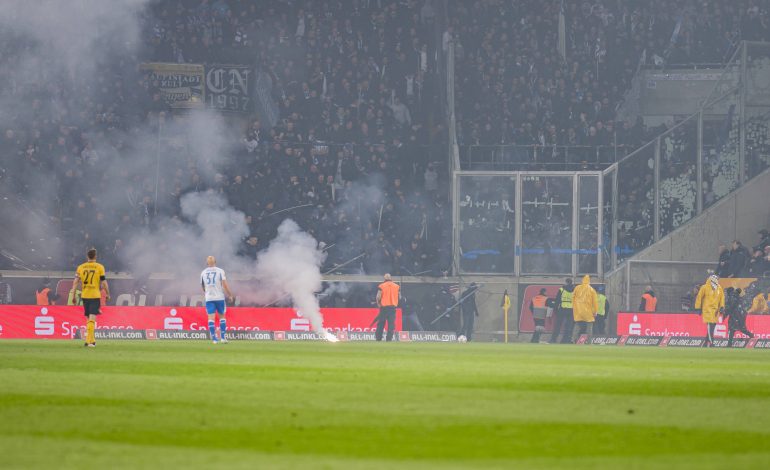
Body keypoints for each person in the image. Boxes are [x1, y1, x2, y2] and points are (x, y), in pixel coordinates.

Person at [73, 248, 110, 347]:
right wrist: (107, 293)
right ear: (95, 256)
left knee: (88, 319)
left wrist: (73, 295)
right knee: (92, 319)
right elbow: (104, 282)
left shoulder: (81, 267)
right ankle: (89, 341)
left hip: (84, 295)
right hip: (94, 295)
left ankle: (91, 340)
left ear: (87, 256)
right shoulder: (99, 267)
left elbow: (75, 282)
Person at [200, 256, 234, 345]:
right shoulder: (220, 271)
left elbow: (203, 286)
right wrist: (230, 294)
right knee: (222, 317)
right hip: (219, 297)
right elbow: (225, 285)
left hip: (209, 298)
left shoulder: (203, 272)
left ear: (207, 263)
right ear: (216, 262)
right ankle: (223, 338)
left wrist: (208, 292)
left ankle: (214, 339)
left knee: (211, 318)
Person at [695, 274, 725, 348]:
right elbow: (699, 297)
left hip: (715, 311)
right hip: (707, 310)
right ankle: (711, 343)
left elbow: (722, 298)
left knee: (712, 327)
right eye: (716, 279)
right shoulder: (704, 287)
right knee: (710, 326)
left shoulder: (719, 288)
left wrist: (722, 307)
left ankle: (705, 343)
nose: (717, 280)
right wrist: (698, 308)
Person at [571, 275, 599, 343]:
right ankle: (589, 341)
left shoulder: (577, 287)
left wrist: (574, 308)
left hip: (578, 311)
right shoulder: (591, 290)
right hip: (588, 312)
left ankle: (573, 339)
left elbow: (573, 298)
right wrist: (595, 311)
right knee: (589, 326)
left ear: (582, 280)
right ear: (589, 281)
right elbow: (595, 302)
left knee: (577, 325)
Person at [375, 273, 400, 342]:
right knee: (391, 325)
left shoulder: (381, 286)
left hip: (384, 308)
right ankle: (389, 339)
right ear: (391, 278)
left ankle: (378, 338)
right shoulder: (397, 286)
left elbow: (378, 297)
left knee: (381, 324)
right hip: (392, 308)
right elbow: (399, 297)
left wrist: (378, 304)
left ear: (384, 278)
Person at [549, 278, 574, 344]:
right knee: (568, 326)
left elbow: (557, 301)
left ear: (566, 282)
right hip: (571, 310)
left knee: (558, 325)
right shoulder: (575, 290)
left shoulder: (561, 289)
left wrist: (555, 309)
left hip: (562, 309)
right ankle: (565, 340)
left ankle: (553, 339)